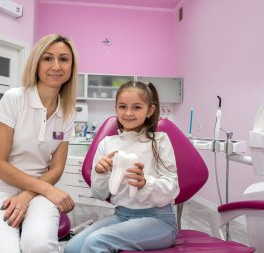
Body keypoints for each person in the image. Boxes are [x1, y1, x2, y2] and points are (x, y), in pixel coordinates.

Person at [0, 34, 79, 253]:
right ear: (37, 63)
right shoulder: (14, 98)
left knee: (38, 245)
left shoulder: (67, 112)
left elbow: (57, 168)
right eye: (48, 58)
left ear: (71, 66)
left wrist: (28, 194)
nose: (56, 66)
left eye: (64, 59)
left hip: (39, 191)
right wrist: (40, 189)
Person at [64, 81, 180, 253]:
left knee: (96, 242)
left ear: (150, 110)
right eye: (122, 106)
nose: (128, 113)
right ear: (116, 108)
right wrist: (100, 172)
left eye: (137, 107)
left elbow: (173, 188)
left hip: (160, 220)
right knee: (72, 248)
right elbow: (100, 194)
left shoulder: (159, 141)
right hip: (122, 215)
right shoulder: (107, 143)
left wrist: (145, 183)